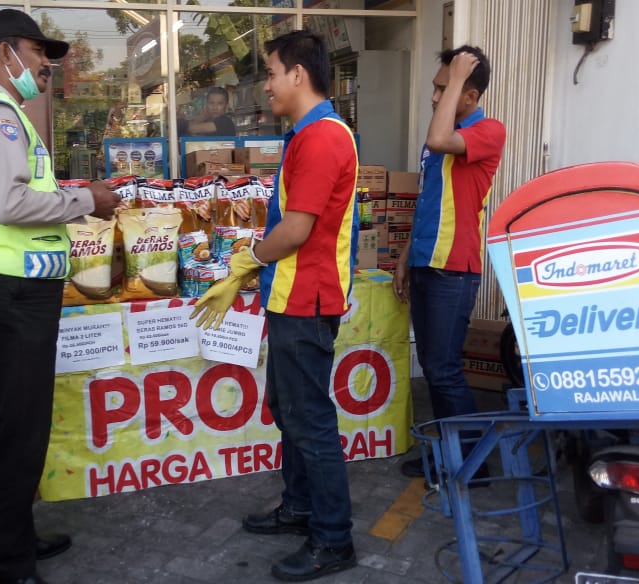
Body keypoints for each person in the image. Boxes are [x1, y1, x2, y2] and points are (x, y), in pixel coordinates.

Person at [0, 9, 121, 584]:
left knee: (16, 426)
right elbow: (10, 204)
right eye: (39, 51)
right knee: (18, 433)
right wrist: (87, 201)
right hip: (9, 293)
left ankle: (13, 539)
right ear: (6, 53)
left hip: (11, 291)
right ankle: (8, 567)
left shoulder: (2, 112)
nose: (47, 64)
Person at [190, 30, 359, 582]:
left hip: (307, 299)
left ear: (298, 74)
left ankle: (333, 539)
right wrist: (254, 268)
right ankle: (300, 507)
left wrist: (245, 262)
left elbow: (297, 229)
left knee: (310, 421)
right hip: (290, 296)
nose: (265, 86)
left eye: (269, 73)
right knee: (289, 411)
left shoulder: (322, 137)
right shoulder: (306, 134)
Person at [393, 46, 506, 478]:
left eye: (444, 89)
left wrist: (458, 76)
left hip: (453, 270)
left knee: (444, 372)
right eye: (436, 88)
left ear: (470, 96)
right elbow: (427, 202)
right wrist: (406, 257)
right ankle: (449, 456)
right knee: (435, 369)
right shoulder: (440, 140)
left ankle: (471, 466)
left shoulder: (488, 131)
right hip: (427, 263)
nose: (435, 97)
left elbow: (438, 139)